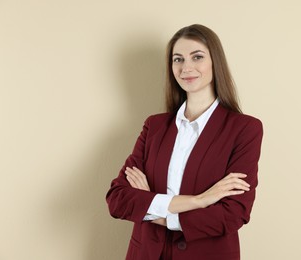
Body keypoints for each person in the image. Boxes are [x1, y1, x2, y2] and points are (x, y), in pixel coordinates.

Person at [106, 24, 263, 260]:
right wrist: (199, 201)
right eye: (178, 59)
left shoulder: (244, 129)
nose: (186, 67)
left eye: (197, 57)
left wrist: (153, 208)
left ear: (214, 63)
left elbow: (234, 213)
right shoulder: (154, 127)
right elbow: (118, 199)